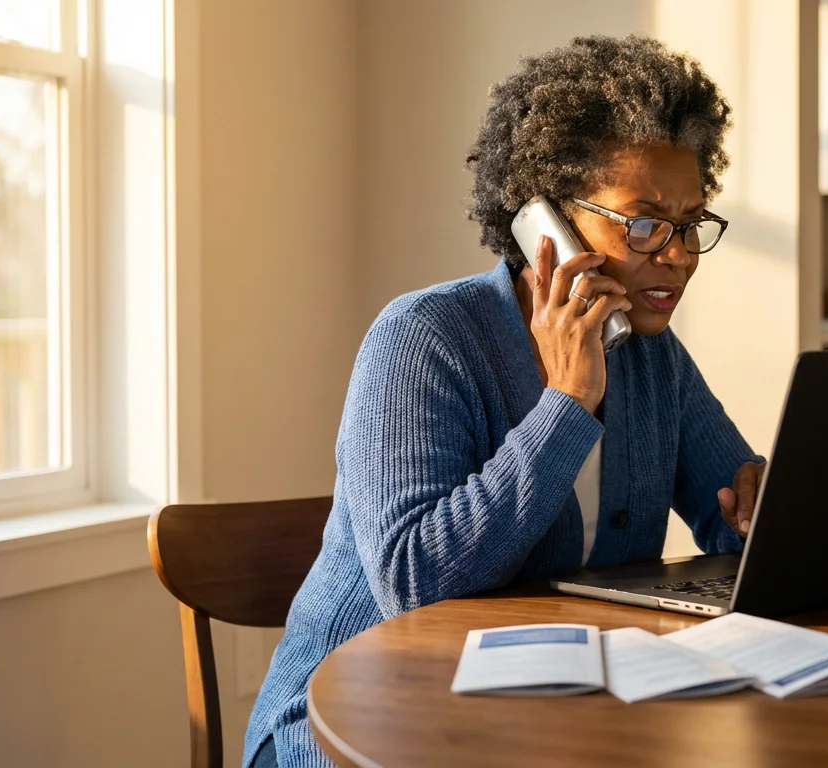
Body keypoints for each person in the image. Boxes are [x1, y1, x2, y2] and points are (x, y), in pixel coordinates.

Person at [244, 34, 765, 768]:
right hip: (357, 722)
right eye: (645, 222)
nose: (676, 253)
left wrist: (761, 506)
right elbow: (416, 586)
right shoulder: (423, 339)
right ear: (543, 224)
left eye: (688, 224)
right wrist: (568, 400)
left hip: (553, 721)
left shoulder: (655, 358)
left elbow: (732, 515)